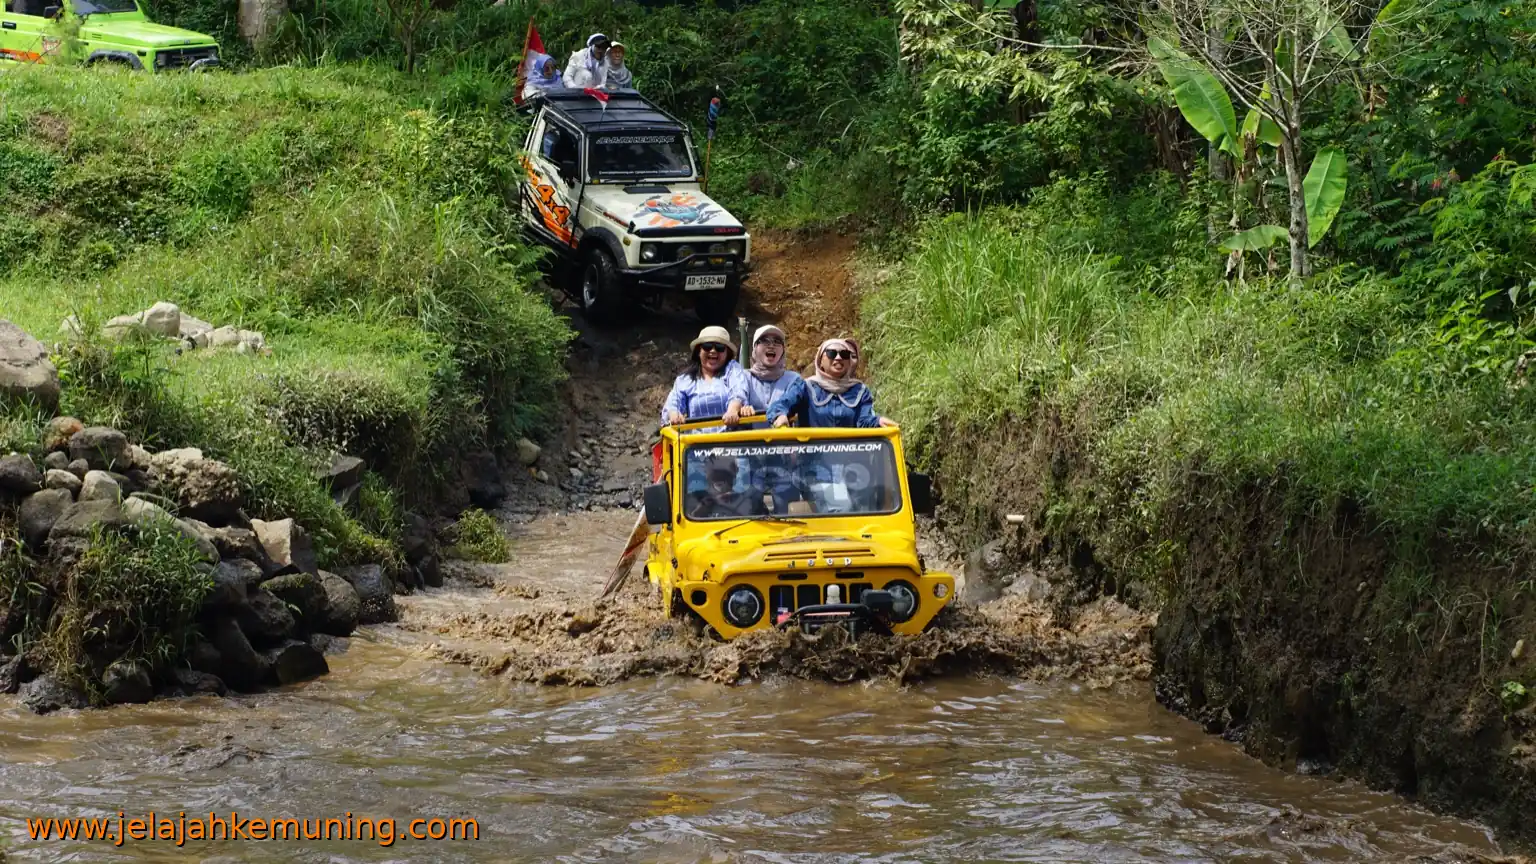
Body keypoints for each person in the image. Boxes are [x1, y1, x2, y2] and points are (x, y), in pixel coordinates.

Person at [767, 338, 896, 429]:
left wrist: (878, 421)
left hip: (850, 461)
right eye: (831, 353)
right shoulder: (806, 387)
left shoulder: (859, 391)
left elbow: (863, 421)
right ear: (820, 360)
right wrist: (780, 415)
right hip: (813, 462)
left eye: (844, 354)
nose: (838, 358)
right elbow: (781, 405)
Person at [661, 325, 749, 432]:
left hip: (730, 442)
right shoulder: (686, 379)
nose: (713, 351)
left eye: (719, 347)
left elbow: (738, 391)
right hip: (696, 444)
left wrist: (733, 410)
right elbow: (673, 401)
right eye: (707, 346)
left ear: (727, 353)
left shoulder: (732, 369)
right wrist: (674, 413)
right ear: (699, 351)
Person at [687, 455, 767, 519]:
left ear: (730, 483)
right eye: (715, 484)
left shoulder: (747, 500)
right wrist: (704, 505)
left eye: (721, 483)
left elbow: (757, 518)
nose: (718, 487)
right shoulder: (704, 500)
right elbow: (693, 518)